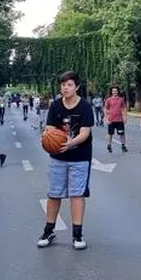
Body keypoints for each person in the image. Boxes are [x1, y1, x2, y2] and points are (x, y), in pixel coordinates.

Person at [37, 71, 96, 250]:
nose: (65, 88)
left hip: (80, 157)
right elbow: (49, 128)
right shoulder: (56, 106)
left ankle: (77, 235)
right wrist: (46, 137)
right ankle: (49, 231)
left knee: (77, 195)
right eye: (63, 85)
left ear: (77, 87)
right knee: (54, 194)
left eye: (69, 85)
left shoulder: (85, 106)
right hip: (58, 157)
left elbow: (85, 132)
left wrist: (71, 143)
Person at [104, 85, 128, 153]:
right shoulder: (108, 100)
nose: (115, 92)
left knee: (122, 133)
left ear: (118, 92)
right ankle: (109, 145)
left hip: (119, 120)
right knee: (110, 133)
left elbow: (124, 108)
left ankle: (123, 145)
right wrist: (106, 118)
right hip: (111, 120)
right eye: (113, 91)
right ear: (111, 92)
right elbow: (105, 109)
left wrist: (125, 117)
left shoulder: (121, 99)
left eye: (116, 91)